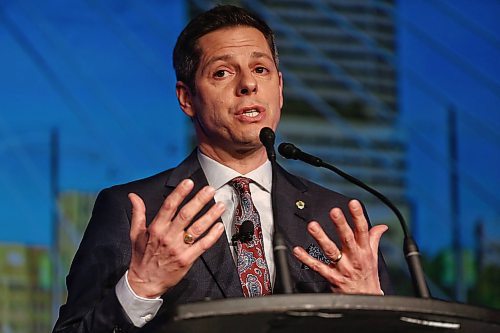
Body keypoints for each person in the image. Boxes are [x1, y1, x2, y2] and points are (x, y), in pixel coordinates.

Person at [53, 5, 391, 333]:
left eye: (261, 69)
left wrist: (373, 309)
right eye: (222, 73)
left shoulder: (337, 217)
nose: (248, 85)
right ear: (186, 98)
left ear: (280, 89)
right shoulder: (134, 211)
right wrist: (140, 288)